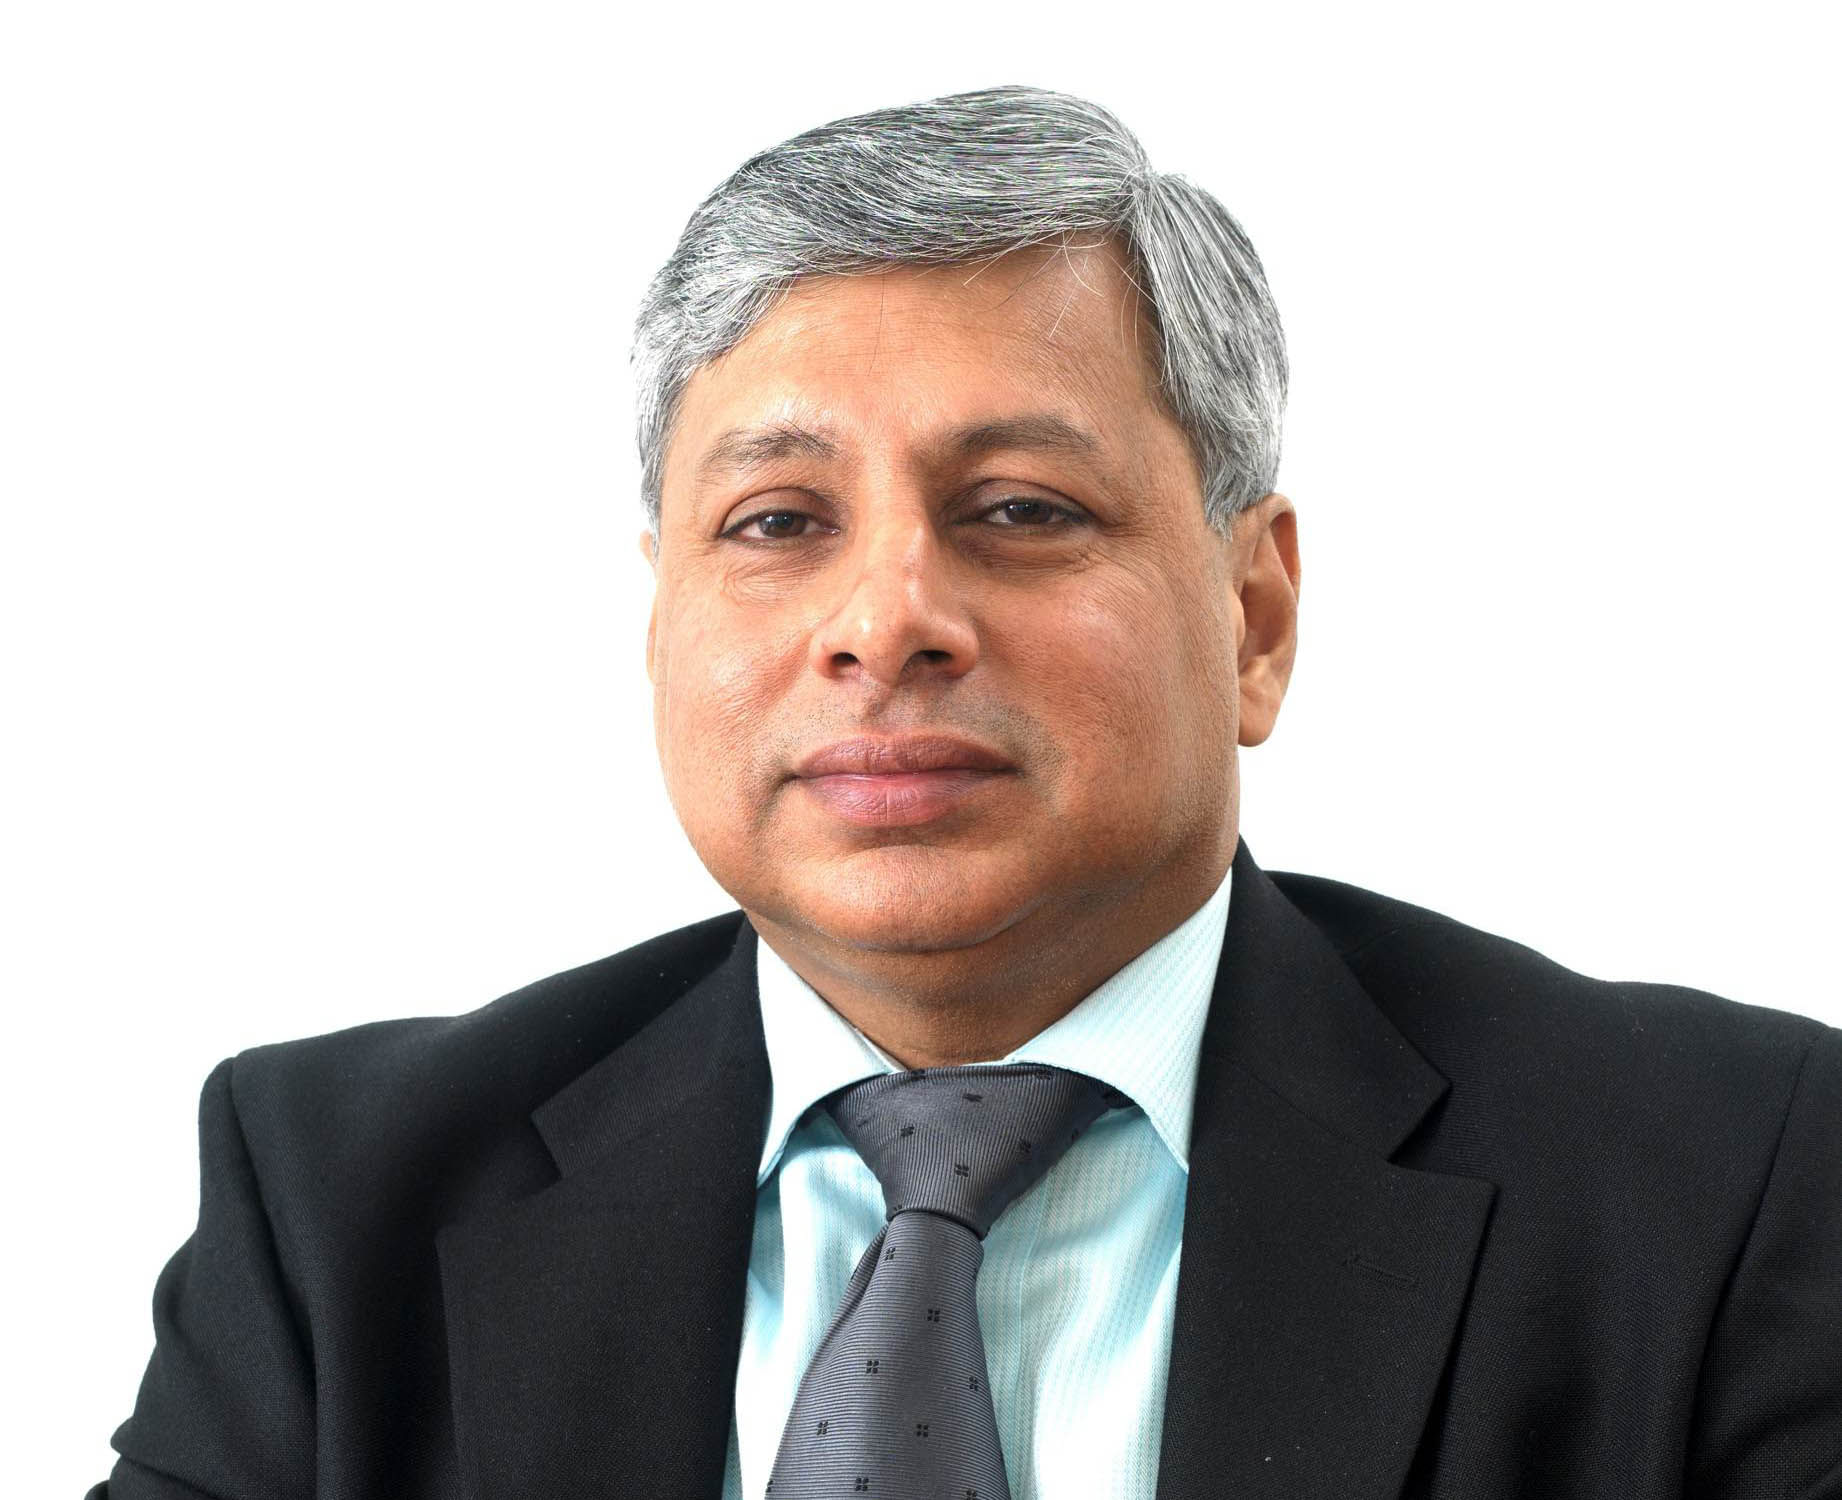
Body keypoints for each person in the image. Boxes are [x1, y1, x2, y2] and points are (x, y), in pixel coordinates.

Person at [92, 85, 1840, 1500]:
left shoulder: (1720, 1183)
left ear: (1252, 616)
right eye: (777, 522)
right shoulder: (339, 1198)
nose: (885, 621)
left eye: (1018, 509)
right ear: (659, 620)